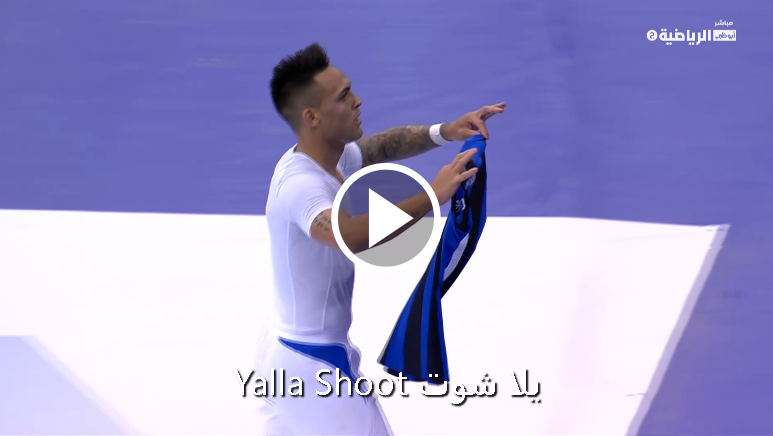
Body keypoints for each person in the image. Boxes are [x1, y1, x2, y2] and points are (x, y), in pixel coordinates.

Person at [252, 42, 505, 435]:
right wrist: (432, 195)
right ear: (312, 117)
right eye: (343, 96)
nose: (357, 101)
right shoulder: (300, 185)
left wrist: (445, 131)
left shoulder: (330, 158)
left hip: (290, 351)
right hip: (311, 366)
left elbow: (383, 146)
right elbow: (348, 235)